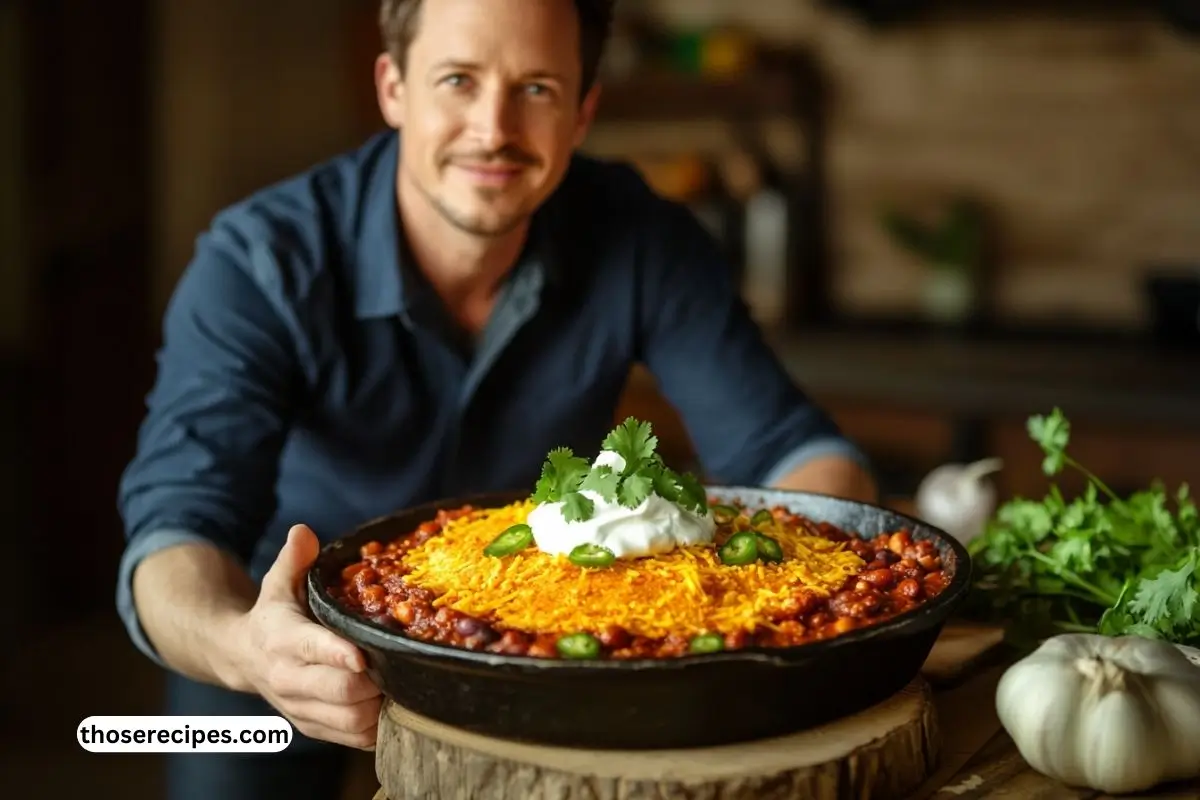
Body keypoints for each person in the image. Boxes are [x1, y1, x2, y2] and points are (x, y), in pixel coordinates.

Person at [116, 0, 878, 797]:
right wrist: (244, 649)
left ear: (583, 110)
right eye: (457, 79)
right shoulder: (258, 261)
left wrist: (775, 600)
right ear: (393, 86)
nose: (493, 129)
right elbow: (172, 533)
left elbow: (796, 452)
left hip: (540, 663)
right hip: (273, 654)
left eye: (538, 89)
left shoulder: (644, 237)